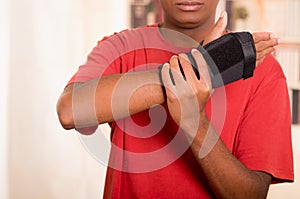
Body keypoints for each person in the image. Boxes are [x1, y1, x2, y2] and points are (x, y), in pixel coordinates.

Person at [57, 0, 294, 198]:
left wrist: (195, 124)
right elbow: (70, 111)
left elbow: (251, 195)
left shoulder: (264, 70)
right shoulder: (121, 47)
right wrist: (198, 67)